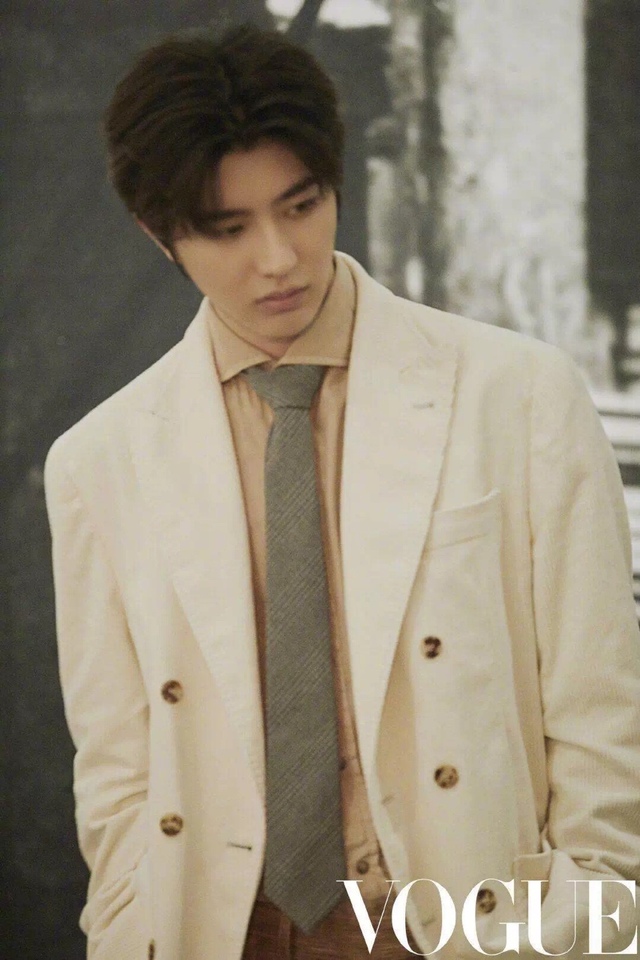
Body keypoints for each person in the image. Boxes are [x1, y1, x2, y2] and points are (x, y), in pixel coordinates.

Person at [44, 23, 640, 960]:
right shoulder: (100, 461)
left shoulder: (517, 394)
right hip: (222, 926)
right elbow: (117, 761)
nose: (279, 257)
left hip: (465, 918)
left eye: (302, 204)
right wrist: (130, 923)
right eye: (228, 229)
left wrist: (587, 913)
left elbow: (602, 708)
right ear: (159, 236)